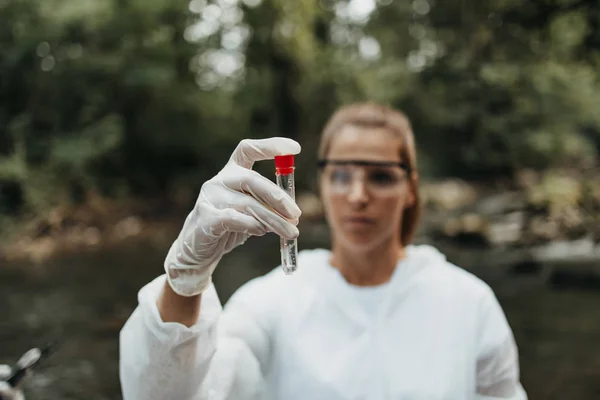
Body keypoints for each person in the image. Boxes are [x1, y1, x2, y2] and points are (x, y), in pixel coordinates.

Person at [119, 102, 528, 400]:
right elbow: (171, 394)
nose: (357, 195)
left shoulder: (468, 302)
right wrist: (186, 281)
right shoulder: (271, 301)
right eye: (342, 174)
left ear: (410, 190)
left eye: (381, 177)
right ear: (321, 182)